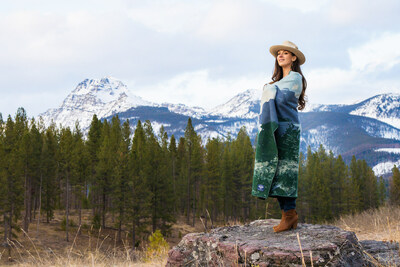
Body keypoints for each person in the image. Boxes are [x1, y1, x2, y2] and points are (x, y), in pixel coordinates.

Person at [251, 40, 307, 233]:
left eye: (285, 53)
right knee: (274, 169)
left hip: (288, 130)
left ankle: (290, 215)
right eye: (279, 53)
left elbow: (281, 98)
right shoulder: (276, 83)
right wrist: (270, 88)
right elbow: (274, 92)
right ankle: (287, 215)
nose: (281, 55)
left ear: (293, 58)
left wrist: (268, 88)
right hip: (274, 128)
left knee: (286, 171)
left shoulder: (295, 78)